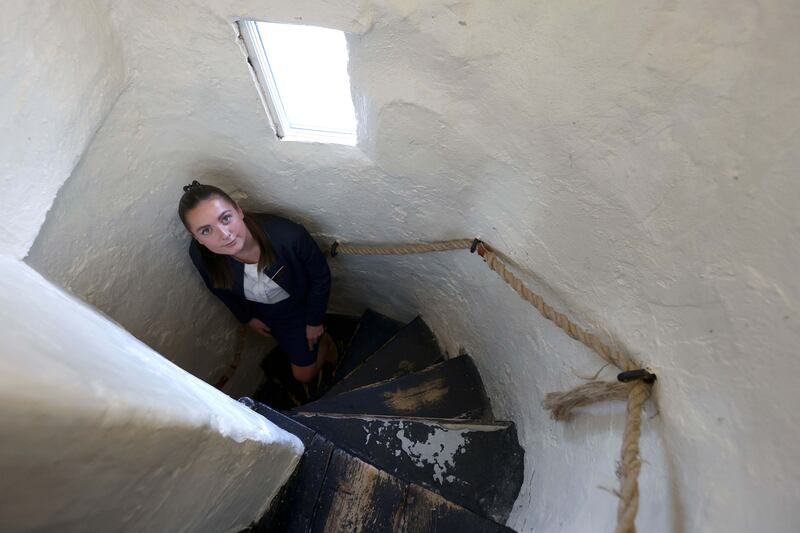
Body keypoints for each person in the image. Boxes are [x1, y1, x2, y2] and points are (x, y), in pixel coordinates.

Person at [178, 180, 335, 384]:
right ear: (197, 238)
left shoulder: (288, 236)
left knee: (303, 376)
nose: (224, 235)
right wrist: (247, 317)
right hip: (263, 313)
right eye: (206, 231)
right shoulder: (201, 255)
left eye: (225, 218)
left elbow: (320, 276)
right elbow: (219, 290)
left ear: (238, 210)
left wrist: (314, 321)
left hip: (298, 309)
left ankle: (325, 342)